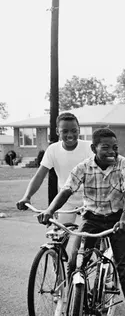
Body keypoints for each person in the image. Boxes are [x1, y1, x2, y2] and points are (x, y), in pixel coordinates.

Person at [36, 128, 125, 316]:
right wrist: (50, 210)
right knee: (74, 264)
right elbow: (67, 190)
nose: (111, 152)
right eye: (105, 147)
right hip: (91, 219)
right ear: (94, 148)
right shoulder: (83, 167)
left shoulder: (123, 164)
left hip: (117, 221)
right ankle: (71, 310)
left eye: (115, 147)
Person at [17, 112, 95, 275]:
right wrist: (27, 196)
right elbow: (39, 176)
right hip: (66, 200)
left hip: (90, 200)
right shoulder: (53, 150)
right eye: (65, 131)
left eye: (74, 130)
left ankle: (103, 276)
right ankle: (60, 280)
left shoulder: (88, 148)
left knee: (91, 240)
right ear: (58, 132)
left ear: (79, 129)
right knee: (58, 240)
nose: (70, 134)